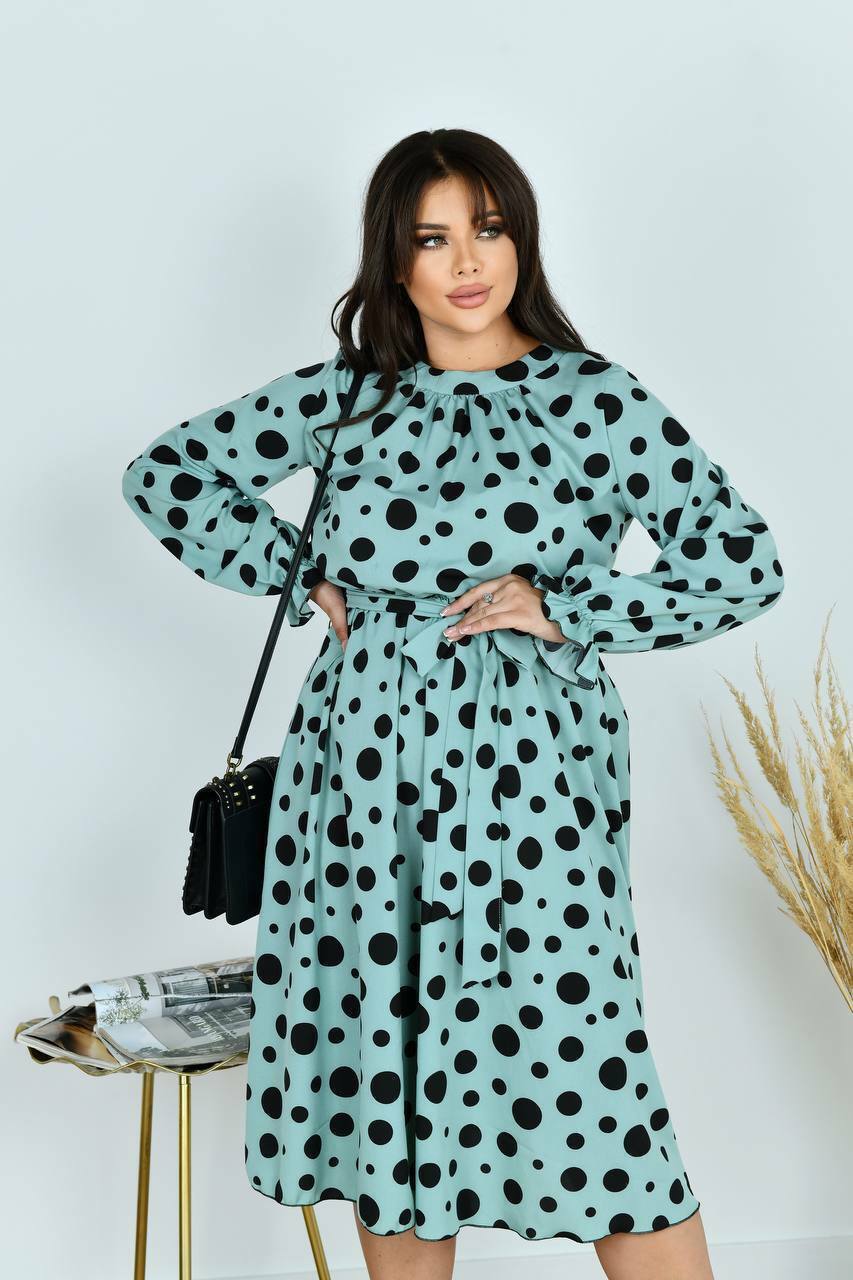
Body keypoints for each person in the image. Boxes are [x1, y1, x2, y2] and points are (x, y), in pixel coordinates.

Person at [121, 128, 784, 1280]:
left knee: (591, 1082)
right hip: (358, 774)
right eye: (433, 238)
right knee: (387, 1074)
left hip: (532, 781)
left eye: (487, 227)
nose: (468, 262)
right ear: (394, 257)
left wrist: (570, 606)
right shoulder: (346, 396)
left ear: (522, 235)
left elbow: (740, 560)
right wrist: (295, 573)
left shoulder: (595, 400)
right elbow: (168, 474)